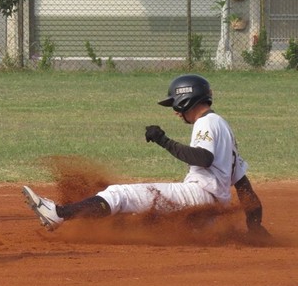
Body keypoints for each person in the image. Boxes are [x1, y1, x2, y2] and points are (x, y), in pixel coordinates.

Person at [22, 74, 270, 238]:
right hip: (210, 208)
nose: (174, 112)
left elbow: (202, 158)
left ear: (186, 100)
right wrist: (255, 227)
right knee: (140, 217)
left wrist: (163, 140)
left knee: (118, 194)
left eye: (175, 105)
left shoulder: (207, 123)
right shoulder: (224, 128)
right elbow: (244, 185)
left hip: (199, 196)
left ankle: (58, 214)